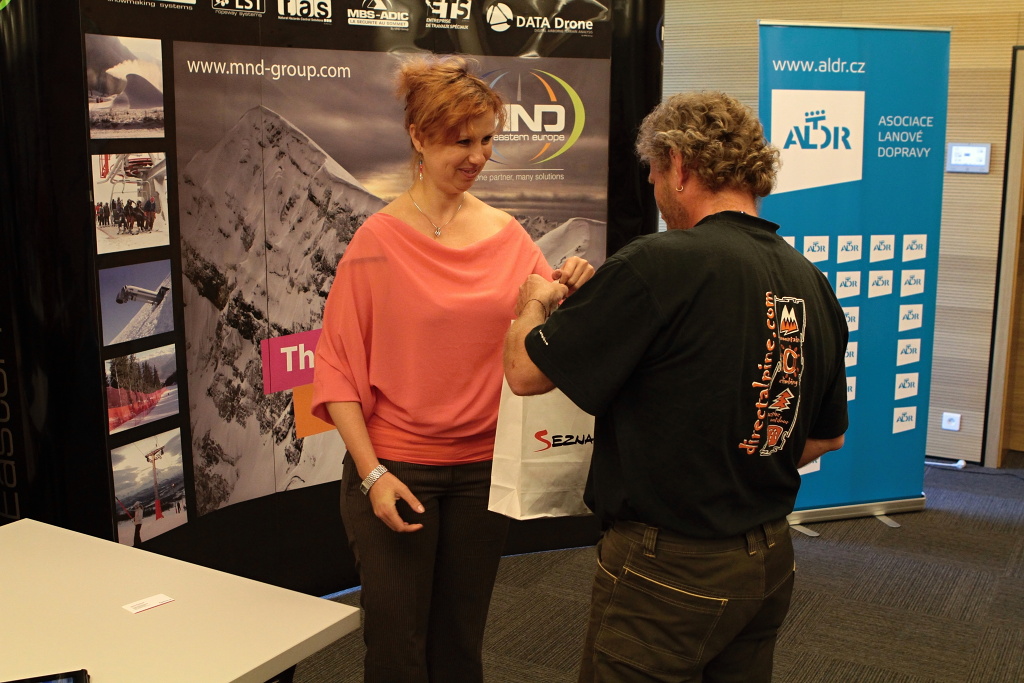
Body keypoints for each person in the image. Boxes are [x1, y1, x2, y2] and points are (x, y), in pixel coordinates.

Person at [503, 91, 849, 683]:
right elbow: (825, 437)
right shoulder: (810, 281)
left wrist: (533, 302)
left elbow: (524, 371)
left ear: (681, 165)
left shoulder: (659, 263)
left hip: (668, 570)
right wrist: (736, 466)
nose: (654, 188)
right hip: (767, 562)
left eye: (656, 172)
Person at [311, 54, 594, 683]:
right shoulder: (377, 241)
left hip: (482, 473)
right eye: (461, 142)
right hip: (397, 468)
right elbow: (338, 371)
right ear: (418, 137)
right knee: (397, 653)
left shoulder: (508, 236)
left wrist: (569, 287)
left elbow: (544, 329)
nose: (477, 157)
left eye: (486, 140)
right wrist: (372, 476)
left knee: (459, 648)